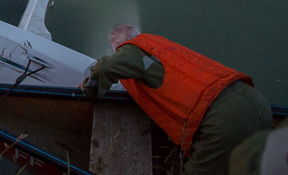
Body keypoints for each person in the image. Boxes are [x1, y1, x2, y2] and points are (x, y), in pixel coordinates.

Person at [81, 24, 272, 174]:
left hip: (222, 119)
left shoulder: (132, 50)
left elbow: (104, 69)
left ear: (122, 43)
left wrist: (89, 91)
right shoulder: (161, 46)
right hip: (254, 101)